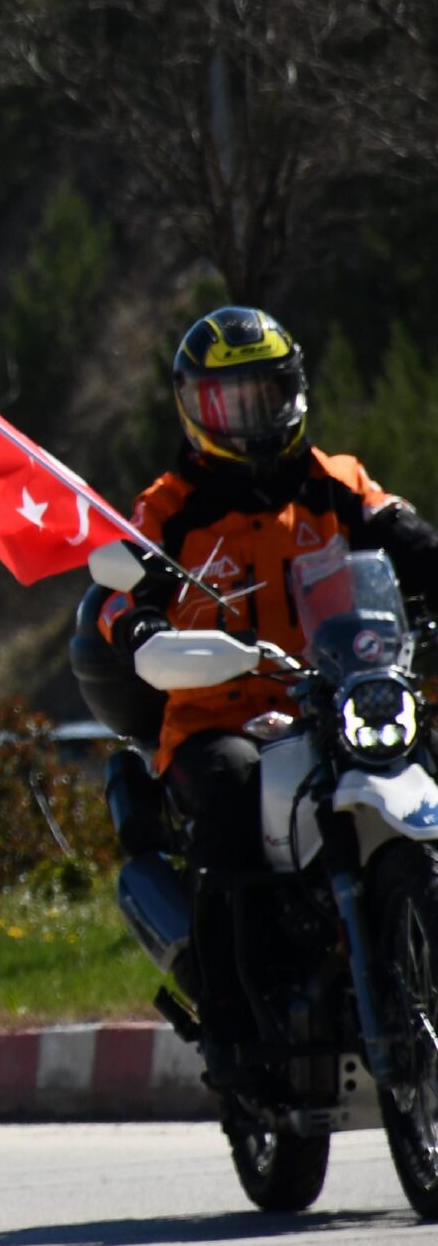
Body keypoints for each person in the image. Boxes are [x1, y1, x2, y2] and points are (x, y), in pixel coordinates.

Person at [95, 307, 438, 1085]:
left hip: (337, 697)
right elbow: (122, 590)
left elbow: (404, 533)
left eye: (266, 393)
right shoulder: (169, 505)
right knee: (229, 803)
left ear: (296, 391)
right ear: (194, 407)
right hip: (219, 715)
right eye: (229, 402)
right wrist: (140, 630)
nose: (252, 416)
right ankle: (234, 1022)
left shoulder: (334, 480)